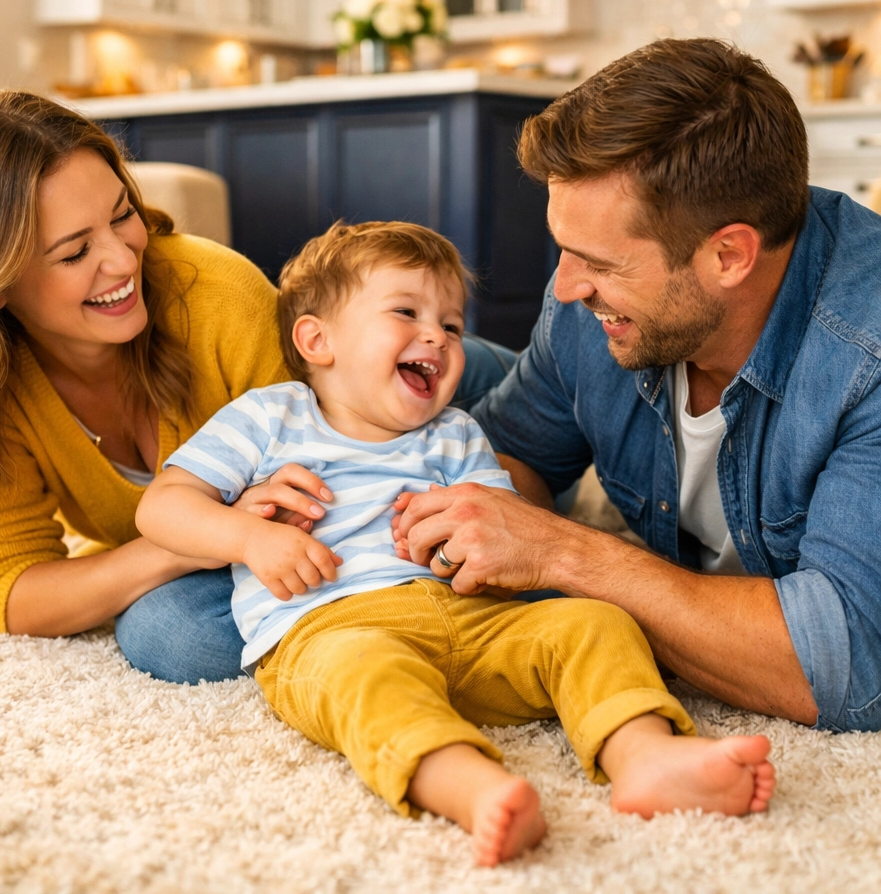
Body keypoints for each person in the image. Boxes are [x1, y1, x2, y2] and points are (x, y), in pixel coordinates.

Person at [136, 220, 775, 868]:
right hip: (331, 626)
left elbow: (499, 535)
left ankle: (644, 754)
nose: (437, 337)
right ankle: (472, 789)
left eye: (451, 322)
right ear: (317, 339)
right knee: (366, 680)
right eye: (406, 312)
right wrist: (247, 537)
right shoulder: (268, 417)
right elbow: (163, 507)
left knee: (591, 623)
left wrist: (458, 550)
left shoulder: (456, 431)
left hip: (474, 620)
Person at [0, 88, 510, 685]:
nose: (122, 259)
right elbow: (2, 587)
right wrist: (191, 538)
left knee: (509, 438)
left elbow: (350, 474)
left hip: (393, 394)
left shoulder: (217, 295)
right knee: (171, 635)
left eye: (121, 215)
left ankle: (538, 414)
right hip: (254, 514)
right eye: (74, 251)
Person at [389, 37, 881, 734]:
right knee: (380, 359)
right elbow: (521, 452)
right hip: (552, 370)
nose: (564, 287)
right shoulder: (584, 311)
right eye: (563, 249)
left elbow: (843, 666)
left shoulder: (866, 357)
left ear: (728, 255)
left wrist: (562, 551)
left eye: (598, 263)